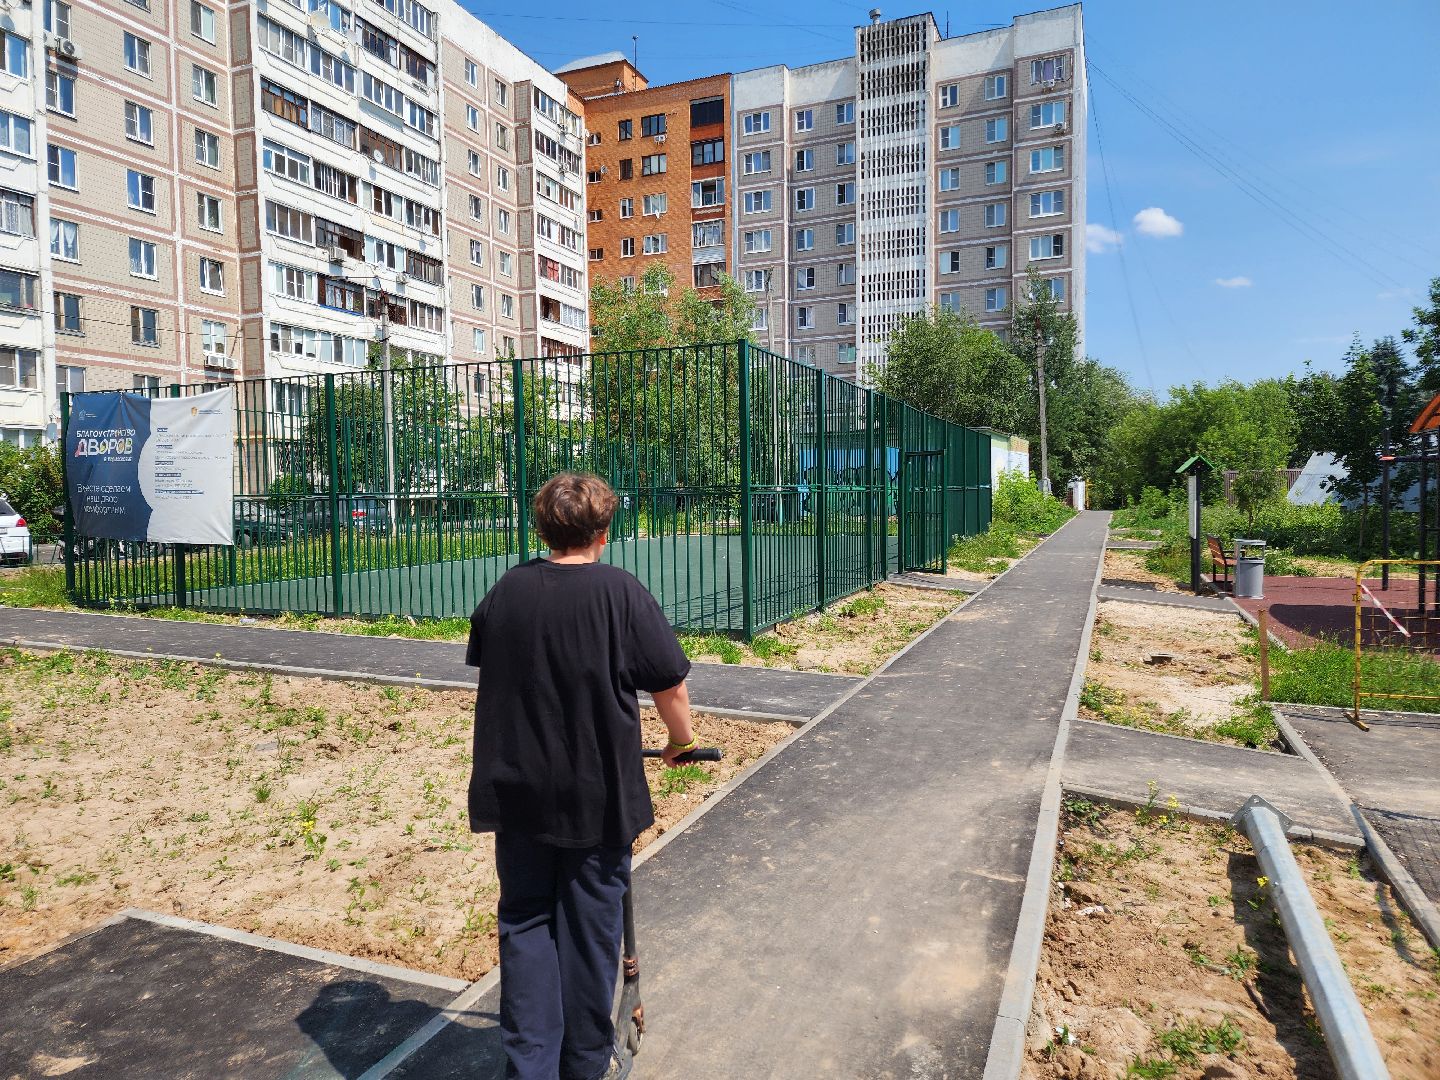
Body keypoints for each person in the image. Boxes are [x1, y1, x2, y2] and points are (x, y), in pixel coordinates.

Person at [465, 472, 696, 1080]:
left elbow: (504, 664)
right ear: (603, 531)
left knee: (526, 925)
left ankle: (530, 1066)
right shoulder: (619, 593)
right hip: (596, 799)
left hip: (518, 794)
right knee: (592, 935)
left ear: (543, 528)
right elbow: (669, 684)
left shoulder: (507, 591)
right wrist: (683, 742)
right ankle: (586, 1063)